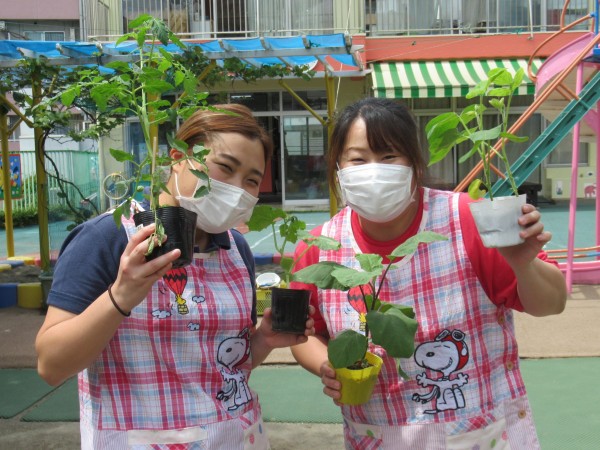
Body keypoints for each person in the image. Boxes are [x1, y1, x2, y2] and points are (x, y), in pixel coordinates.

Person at [290, 97, 566, 449]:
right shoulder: (320, 248)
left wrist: (523, 263)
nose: (374, 170)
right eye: (358, 159)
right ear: (338, 167)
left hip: (479, 434)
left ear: (414, 163)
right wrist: (329, 365)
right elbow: (303, 334)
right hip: (379, 435)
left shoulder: (466, 218)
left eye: (389, 157)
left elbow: (552, 303)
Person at [36, 103, 314, 449]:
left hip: (237, 437)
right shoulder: (107, 239)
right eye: (224, 168)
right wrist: (120, 296)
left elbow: (226, 368)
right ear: (176, 158)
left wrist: (264, 341)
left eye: (251, 181)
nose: (237, 188)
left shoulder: (235, 248)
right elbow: (51, 364)